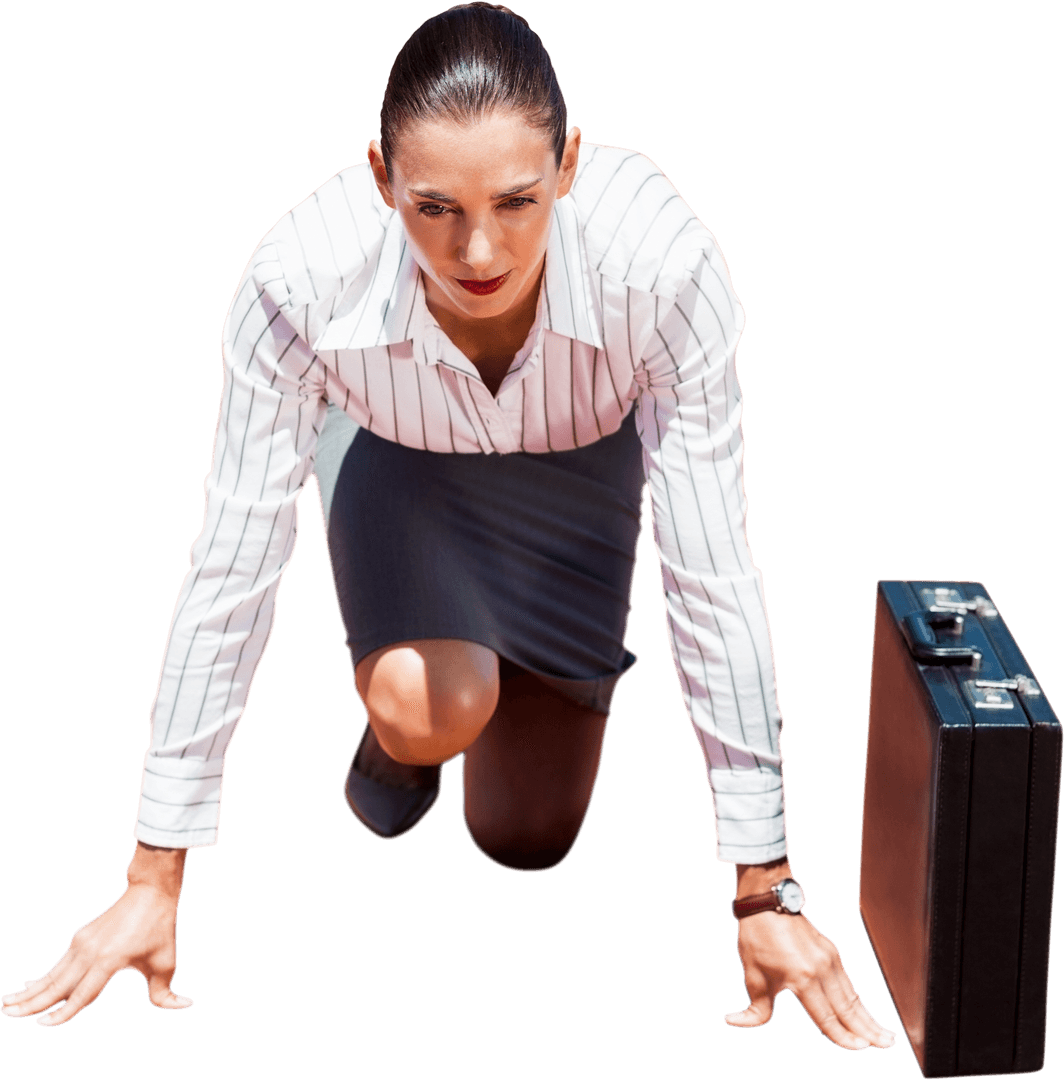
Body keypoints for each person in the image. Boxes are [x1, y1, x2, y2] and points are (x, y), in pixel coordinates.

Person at [1, 3, 895, 1050]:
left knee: (526, 835)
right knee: (435, 706)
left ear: (568, 165)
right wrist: (154, 870)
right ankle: (405, 728)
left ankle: (486, 676)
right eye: (433, 207)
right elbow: (233, 561)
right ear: (382, 178)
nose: (478, 250)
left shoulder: (663, 268)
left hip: (576, 478)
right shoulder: (299, 279)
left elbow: (709, 566)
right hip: (402, 468)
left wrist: (763, 886)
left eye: (516, 201)